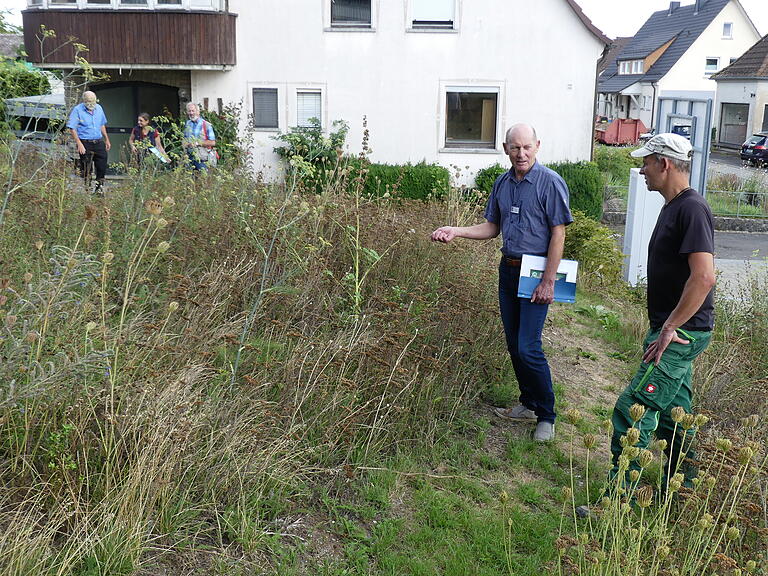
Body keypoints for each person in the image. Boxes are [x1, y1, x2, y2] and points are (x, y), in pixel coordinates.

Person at [431, 124, 573, 442]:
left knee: (528, 346)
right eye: (514, 148)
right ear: (505, 148)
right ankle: (527, 403)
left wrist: (548, 281)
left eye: (526, 147)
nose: (521, 153)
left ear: (537, 146)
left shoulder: (550, 182)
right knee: (514, 344)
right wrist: (456, 230)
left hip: (537, 273)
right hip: (508, 270)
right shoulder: (503, 183)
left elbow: (558, 233)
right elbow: (491, 227)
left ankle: (547, 416)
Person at [609, 133, 716, 489]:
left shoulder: (692, 209)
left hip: (681, 334)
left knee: (633, 409)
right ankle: (684, 492)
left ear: (664, 164)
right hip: (673, 329)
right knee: (676, 417)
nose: (642, 170)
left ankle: (617, 499)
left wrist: (670, 327)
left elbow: (703, 278)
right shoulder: (674, 206)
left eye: (646, 162)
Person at [67, 90, 111, 194]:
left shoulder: (99, 108)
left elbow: (102, 124)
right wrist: (79, 144)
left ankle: (99, 190)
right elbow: (72, 128)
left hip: (98, 141)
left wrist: (107, 139)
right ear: (84, 101)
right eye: (88, 101)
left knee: (102, 166)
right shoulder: (77, 110)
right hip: (85, 142)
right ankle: (88, 190)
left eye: (93, 101)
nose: (91, 104)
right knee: (87, 169)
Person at [183, 102, 216, 171]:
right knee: (189, 180)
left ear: (198, 112)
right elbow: (185, 138)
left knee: (203, 180)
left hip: (202, 159)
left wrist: (197, 143)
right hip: (189, 158)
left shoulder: (206, 125)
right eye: (189, 111)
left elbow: (213, 142)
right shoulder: (187, 124)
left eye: (193, 111)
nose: (191, 113)